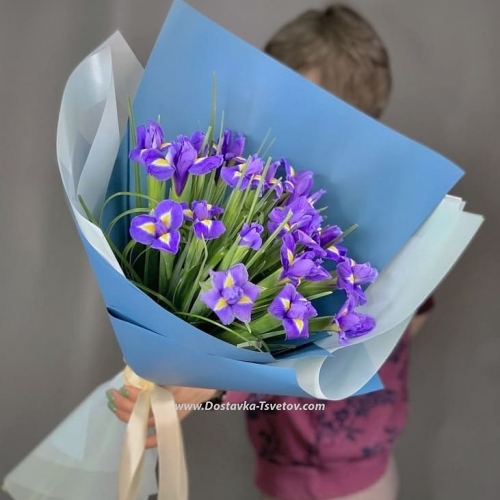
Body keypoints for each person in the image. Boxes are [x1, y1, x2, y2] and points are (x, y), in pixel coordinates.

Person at [107, 5, 434, 499]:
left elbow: (393, 329)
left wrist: (209, 387)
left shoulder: (391, 221)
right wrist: (187, 383)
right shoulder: (267, 195)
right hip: (279, 466)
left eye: (305, 108)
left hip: (356, 477)